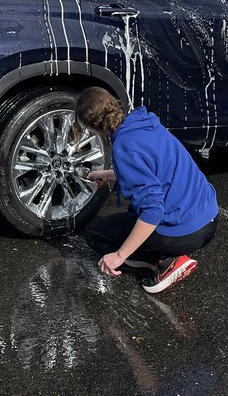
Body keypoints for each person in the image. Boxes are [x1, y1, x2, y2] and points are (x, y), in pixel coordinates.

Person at [77, 87, 218, 294]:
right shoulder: (144, 123)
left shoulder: (123, 146)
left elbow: (153, 211)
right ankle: (169, 254)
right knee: (117, 227)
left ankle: (166, 263)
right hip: (208, 216)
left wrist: (119, 256)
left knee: (95, 234)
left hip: (184, 229)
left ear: (94, 126)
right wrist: (108, 174)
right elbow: (154, 169)